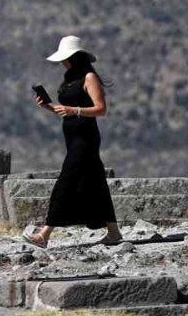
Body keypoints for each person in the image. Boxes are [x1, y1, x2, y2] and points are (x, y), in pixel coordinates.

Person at [24, 36, 122, 248]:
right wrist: (49, 107)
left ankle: (45, 234)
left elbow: (101, 109)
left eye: (65, 58)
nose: (62, 62)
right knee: (96, 181)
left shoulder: (89, 78)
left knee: (66, 179)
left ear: (74, 57)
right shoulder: (69, 78)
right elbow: (66, 111)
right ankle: (114, 233)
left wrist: (74, 110)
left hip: (85, 137)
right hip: (71, 135)